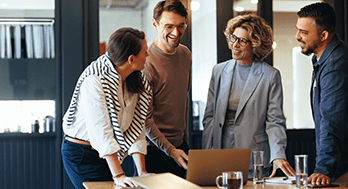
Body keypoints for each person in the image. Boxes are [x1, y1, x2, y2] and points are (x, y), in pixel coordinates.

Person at [202, 14, 295, 178]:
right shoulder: (218, 71)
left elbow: (275, 121)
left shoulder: (270, 75)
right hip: (220, 155)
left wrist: (278, 155)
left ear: (256, 45)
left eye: (242, 41)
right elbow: (209, 117)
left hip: (254, 157)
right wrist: (207, 155)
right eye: (233, 38)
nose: (235, 45)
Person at [61, 27, 153, 189]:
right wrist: (118, 175)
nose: (148, 55)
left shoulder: (137, 80)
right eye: (145, 52)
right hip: (82, 154)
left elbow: (137, 126)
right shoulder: (95, 80)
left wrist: (142, 172)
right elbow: (101, 131)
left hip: (107, 154)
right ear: (131, 59)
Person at [295, 2, 348, 186]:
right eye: (298, 30)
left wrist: (323, 168)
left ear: (324, 35)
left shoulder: (334, 64)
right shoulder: (324, 60)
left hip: (343, 167)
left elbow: (331, 118)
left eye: (304, 32)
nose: (297, 36)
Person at [143, 0, 191, 178]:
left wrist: (183, 142)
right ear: (155, 24)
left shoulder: (185, 54)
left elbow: (183, 100)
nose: (176, 33)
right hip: (153, 152)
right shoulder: (145, 61)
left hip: (181, 148)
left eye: (181, 26)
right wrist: (170, 150)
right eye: (169, 26)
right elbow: (145, 120)